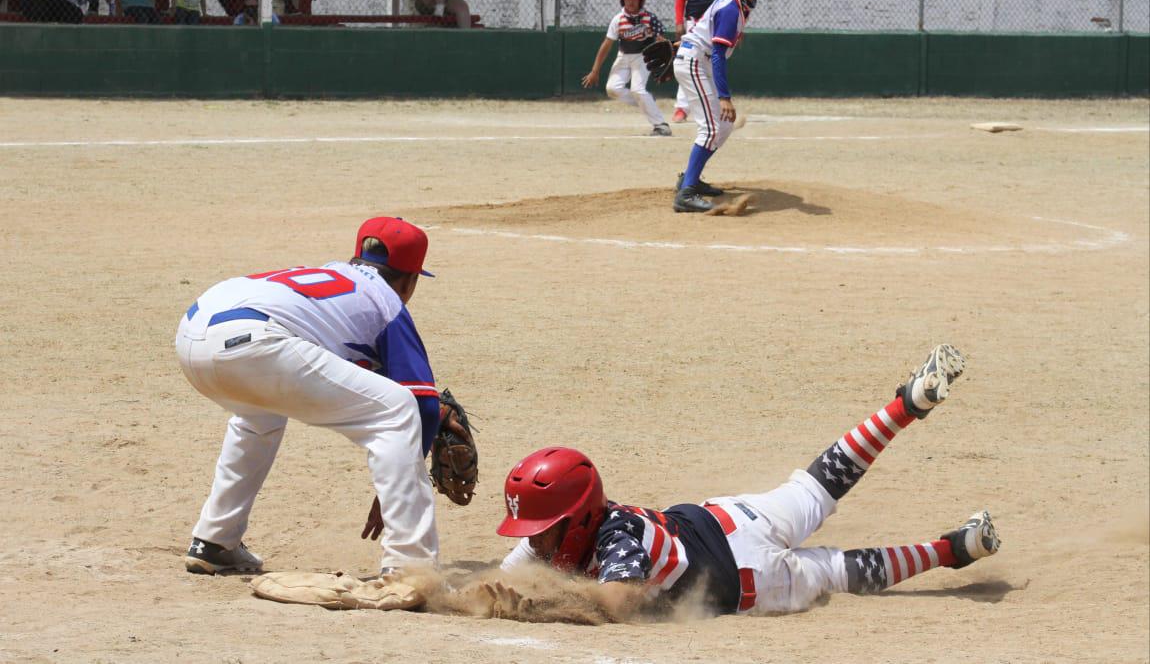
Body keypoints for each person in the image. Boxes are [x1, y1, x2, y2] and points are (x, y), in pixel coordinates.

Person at [489, 345, 1002, 621]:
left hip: (753, 575)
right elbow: (501, 577)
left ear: (577, 519)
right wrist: (448, 594)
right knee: (819, 483)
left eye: (543, 528)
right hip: (732, 517)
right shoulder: (571, 530)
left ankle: (949, 549)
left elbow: (617, 601)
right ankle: (904, 405)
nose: (534, 539)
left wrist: (535, 609)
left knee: (839, 570)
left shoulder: (615, 539)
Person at [177, 217, 443, 576]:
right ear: (411, 280)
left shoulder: (332, 279)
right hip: (255, 343)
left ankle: (215, 540)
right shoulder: (388, 302)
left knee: (260, 415)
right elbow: (423, 404)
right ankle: (411, 567)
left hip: (192, 336)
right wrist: (401, 483)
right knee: (397, 411)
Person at [670, 0, 770, 214]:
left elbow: (706, 25)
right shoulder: (732, 6)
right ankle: (686, 194)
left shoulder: (739, 2)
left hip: (695, 58)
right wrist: (724, 96)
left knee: (723, 127)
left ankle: (690, 179)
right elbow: (716, 52)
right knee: (713, 128)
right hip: (697, 62)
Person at [581, 0, 672, 138]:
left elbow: (662, 39)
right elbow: (606, 45)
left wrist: (664, 49)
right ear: (622, 0)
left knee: (637, 90)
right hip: (623, 56)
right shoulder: (618, 19)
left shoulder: (649, 18)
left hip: (642, 57)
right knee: (612, 89)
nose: (631, 1)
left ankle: (661, 125)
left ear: (640, 0)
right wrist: (595, 70)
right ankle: (647, 101)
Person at [670, 0, 734, 124]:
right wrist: (679, 22)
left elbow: (734, 0)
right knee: (690, 59)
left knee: (714, 62)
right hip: (695, 21)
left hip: (719, 23)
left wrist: (738, 29)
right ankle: (681, 107)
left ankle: (713, 103)